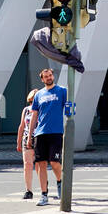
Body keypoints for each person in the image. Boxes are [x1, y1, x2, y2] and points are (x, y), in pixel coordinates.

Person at [29, 68, 67, 206]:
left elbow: (68, 106)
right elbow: (34, 115)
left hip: (56, 132)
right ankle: (44, 195)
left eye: (50, 75)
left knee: (55, 162)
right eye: (46, 76)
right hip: (40, 133)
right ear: (42, 79)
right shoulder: (39, 94)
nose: (49, 78)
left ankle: (60, 183)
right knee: (41, 164)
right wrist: (30, 135)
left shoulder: (62, 91)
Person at [16, 89, 38, 200]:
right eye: (33, 98)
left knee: (39, 164)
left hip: (39, 137)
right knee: (27, 165)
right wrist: (18, 142)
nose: (34, 100)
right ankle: (28, 190)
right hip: (26, 138)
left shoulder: (42, 109)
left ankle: (44, 186)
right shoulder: (26, 110)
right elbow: (22, 126)